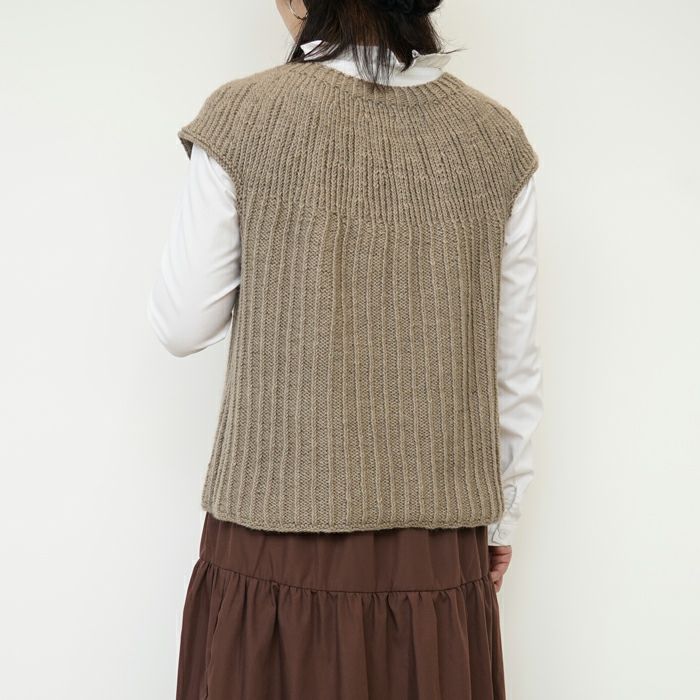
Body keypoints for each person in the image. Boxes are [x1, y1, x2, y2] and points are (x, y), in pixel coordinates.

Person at [147, 1, 542, 697]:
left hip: (274, 535)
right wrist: (502, 515)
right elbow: (513, 359)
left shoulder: (246, 117)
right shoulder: (494, 138)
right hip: (435, 550)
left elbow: (183, 325)